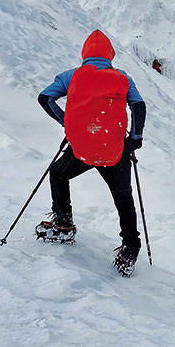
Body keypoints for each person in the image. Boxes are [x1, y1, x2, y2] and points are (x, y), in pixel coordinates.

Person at [37, 30, 147, 276]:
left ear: (85, 54)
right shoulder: (122, 78)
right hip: (115, 151)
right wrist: (135, 140)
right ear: (110, 54)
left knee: (58, 174)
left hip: (82, 148)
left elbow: (45, 98)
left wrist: (68, 123)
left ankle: (63, 223)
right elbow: (138, 106)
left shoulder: (72, 76)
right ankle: (130, 247)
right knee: (123, 197)